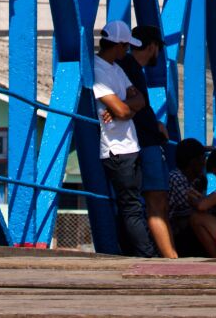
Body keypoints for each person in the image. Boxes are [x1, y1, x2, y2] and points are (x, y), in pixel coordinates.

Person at [91, 20, 156, 257]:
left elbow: (138, 102)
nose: (127, 51)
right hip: (116, 149)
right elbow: (124, 111)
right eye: (126, 46)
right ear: (117, 45)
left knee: (131, 206)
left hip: (129, 145)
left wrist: (125, 107)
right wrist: (126, 108)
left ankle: (133, 252)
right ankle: (147, 256)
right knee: (131, 207)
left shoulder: (115, 68)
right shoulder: (98, 71)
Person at [122, 24, 177, 258]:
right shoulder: (130, 68)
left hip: (138, 140)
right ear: (152, 46)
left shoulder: (126, 67)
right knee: (157, 203)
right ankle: (171, 258)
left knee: (151, 203)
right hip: (144, 143)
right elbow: (137, 105)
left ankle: (167, 254)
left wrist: (155, 123)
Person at [165, 138, 208, 256]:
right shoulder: (176, 178)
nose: (204, 163)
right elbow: (187, 210)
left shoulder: (194, 180)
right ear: (192, 161)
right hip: (175, 231)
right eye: (202, 159)